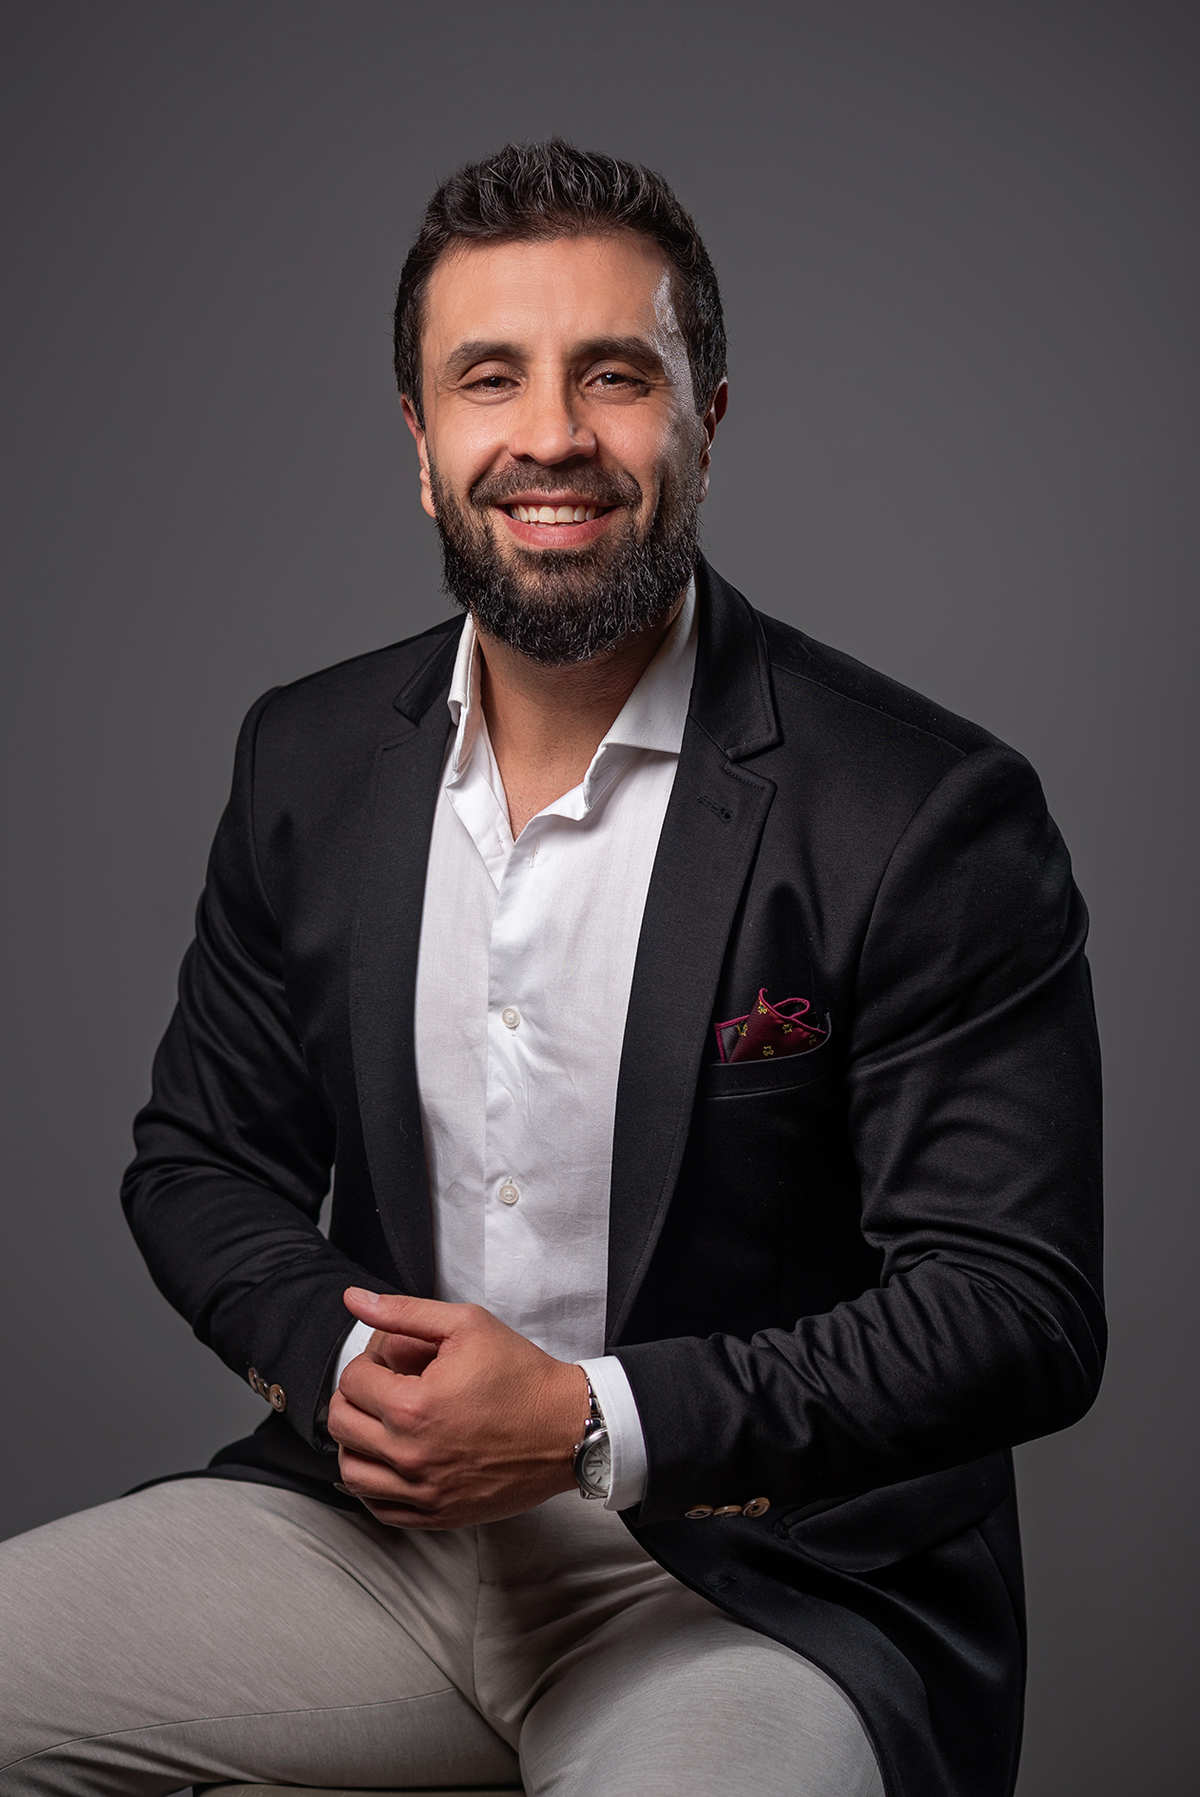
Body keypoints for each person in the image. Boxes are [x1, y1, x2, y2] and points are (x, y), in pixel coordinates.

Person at [0, 140, 1104, 1797]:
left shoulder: (922, 811)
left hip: (757, 1588)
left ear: (705, 422)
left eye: (615, 375)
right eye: (490, 377)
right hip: (376, 1544)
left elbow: (1014, 1310)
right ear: (420, 443)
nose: (553, 436)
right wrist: (352, 1372)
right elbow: (199, 1162)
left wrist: (592, 1420)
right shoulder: (308, 758)